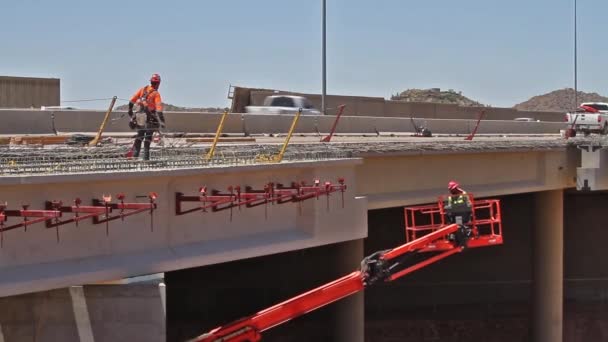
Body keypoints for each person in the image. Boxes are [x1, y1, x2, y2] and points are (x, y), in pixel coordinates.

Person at [128, 74, 165, 160]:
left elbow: (131, 101)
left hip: (139, 117)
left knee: (139, 137)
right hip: (149, 118)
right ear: (158, 83)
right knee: (147, 140)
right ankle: (146, 159)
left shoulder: (143, 89)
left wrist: (130, 110)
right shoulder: (156, 94)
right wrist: (162, 121)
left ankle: (135, 157)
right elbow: (159, 109)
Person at [444, 181, 473, 247]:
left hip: (464, 215)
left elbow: (468, 205)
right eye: (450, 190)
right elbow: (449, 205)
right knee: (448, 215)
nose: (451, 191)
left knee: (458, 223)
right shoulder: (450, 196)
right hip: (455, 215)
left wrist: (458, 206)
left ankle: (461, 237)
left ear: (456, 188)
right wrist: (447, 207)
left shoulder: (463, 194)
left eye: (452, 189)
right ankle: (452, 234)